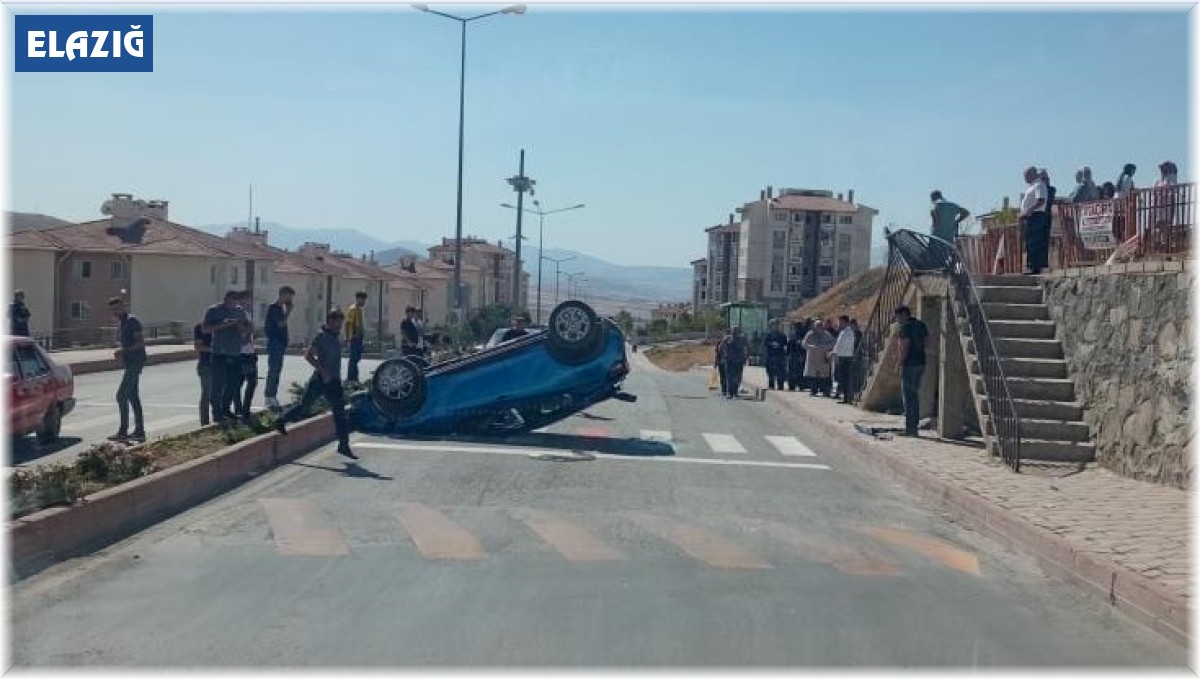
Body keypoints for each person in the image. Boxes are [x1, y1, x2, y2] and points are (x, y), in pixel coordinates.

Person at [275, 308, 356, 459]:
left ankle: (343, 446)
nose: (339, 326)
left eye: (341, 323)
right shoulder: (321, 336)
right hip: (320, 379)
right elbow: (308, 355)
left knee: (340, 413)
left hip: (335, 381)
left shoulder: (336, 337)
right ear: (330, 321)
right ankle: (281, 420)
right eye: (337, 322)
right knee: (304, 406)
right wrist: (323, 371)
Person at [203, 290, 251, 424]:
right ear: (224, 299)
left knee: (233, 383)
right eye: (230, 301)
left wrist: (240, 327)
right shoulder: (214, 310)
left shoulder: (240, 311)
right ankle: (217, 413)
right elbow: (205, 329)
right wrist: (226, 323)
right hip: (219, 353)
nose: (232, 304)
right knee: (218, 384)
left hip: (235, 352)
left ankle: (226, 409)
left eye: (235, 301)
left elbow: (247, 329)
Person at [108, 297, 147, 443]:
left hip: (135, 363)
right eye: (113, 310)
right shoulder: (123, 323)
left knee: (121, 396)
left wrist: (123, 351)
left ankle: (123, 431)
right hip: (130, 363)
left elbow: (140, 343)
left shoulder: (132, 321)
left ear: (123, 307)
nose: (116, 312)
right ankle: (139, 431)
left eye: (118, 308)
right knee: (133, 396)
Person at [893, 305, 929, 438]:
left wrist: (899, 362)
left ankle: (910, 429)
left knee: (908, 398)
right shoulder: (921, 325)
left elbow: (904, 347)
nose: (897, 319)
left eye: (897, 316)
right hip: (921, 363)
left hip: (909, 365)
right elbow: (926, 342)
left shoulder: (905, 327)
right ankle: (914, 427)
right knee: (914, 396)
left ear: (904, 314)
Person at [263, 286, 294, 411]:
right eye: (289, 296)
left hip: (280, 343)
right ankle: (269, 396)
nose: (290, 299)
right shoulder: (274, 308)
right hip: (275, 342)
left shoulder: (281, 309)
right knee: (274, 369)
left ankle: (272, 395)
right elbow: (280, 324)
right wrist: (289, 312)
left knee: (277, 370)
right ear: (283, 295)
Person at [1019, 166, 1050, 275]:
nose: (1025, 179)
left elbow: (1040, 201)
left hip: (1036, 216)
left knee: (1035, 242)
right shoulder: (1032, 186)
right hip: (1030, 217)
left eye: (1026, 176)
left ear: (1032, 174)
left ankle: (1036, 267)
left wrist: (1028, 210)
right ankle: (1032, 266)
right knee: (1030, 242)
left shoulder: (1039, 185)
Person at [929, 190, 970, 268]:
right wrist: (957, 221)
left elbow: (936, 223)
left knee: (934, 258)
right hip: (949, 238)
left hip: (937, 238)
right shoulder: (953, 205)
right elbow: (966, 212)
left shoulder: (935, 206)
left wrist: (933, 217)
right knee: (947, 256)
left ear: (933, 197)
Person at [234, 290, 259, 420]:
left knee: (243, 382)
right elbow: (242, 332)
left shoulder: (247, 314)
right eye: (248, 299)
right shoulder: (239, 314)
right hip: (243, 354)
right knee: (249, 381)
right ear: (241, 300)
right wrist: (246, 337)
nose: (250, 302)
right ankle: (243, 410)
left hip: (249, 352)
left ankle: (242, 409)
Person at [802, 319, 835, 397]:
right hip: (813, 358)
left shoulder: (826, 334)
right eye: (817, 326)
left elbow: (833, 343)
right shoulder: (810, 334)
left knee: (824, 376)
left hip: (823, 358)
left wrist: (825, 347)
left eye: (820, 325)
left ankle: (825, 391)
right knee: (813, 376)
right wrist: (811, 347)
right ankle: (814, 390)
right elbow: (804, 344)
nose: (819, 327)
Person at [832, 315, 857, 404]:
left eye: (841, 322)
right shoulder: (845, 332)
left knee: (845, 378)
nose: (839, 324)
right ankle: (846, 397)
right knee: (843, 378)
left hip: (845, 357)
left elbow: (841, 345)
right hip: (843, 356)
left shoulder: (848, 332)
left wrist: (835, 352)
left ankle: (847, 398)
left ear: (845, 322)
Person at [345, 291, 368, 384]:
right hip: (354, 338)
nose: (364, 302)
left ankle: (354, 377)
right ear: (358, 298)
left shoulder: (359, 310)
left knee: (356, 358)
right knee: (353, 358)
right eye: (363, 299)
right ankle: (351, 378)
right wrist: (349, 337)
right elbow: (348, 323)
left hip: (359, 338)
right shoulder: (353, 309)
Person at [720, 326, 748, 399]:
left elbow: (748, 347)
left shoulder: (742, 339)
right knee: (729, 377)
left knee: (738, 377)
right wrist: (724, 355)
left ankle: (735, 391)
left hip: (739, 361)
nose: (735, 332)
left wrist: (746, 356)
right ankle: (730, 392)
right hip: (729, 361)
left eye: (736, 331)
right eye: (733, 331)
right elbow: (721, 347)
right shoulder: (727, 338)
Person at [194, 321, 214, 426]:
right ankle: (204, 422)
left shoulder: (222, 326)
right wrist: (214, 349)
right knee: (207, 393)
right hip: (205, 364)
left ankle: (218, 418)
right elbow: (198, 346)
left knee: (218, 394)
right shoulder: (200, 327)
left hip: (220, 365)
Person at [763, 320, 788, 390]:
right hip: (771, 356)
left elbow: (785, 343)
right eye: (774, 325)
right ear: (771, 326)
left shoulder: (782, 335)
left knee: (780, 372)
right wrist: (772, 344)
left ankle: (780, 386)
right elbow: (765, 343)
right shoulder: (768, 335)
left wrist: (780, 345)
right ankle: (771, 386)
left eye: (777, 325)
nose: (776, 326)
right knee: (771, 372)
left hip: (780, 356)